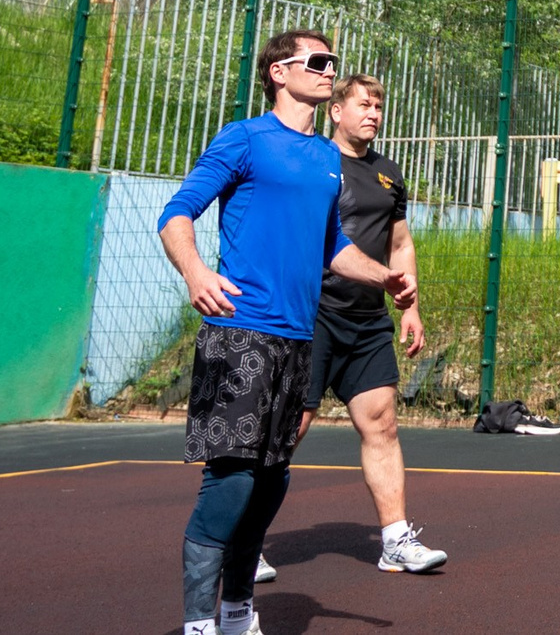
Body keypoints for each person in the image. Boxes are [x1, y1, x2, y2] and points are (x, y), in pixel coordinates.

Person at [158, 31, 408, 635]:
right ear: (278, 72)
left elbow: (332, 245)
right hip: (241, 333)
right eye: (317, 62)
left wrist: (385, 277)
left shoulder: (326, 158)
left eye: (332, 63)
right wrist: (196, 272)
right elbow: (176, 213)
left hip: (298, 340)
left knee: (271, 481)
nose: (329, 71)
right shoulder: (244, 138)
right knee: (232, 480)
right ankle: (198, 622)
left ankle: (237, 612)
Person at [291, 75, 445, 576]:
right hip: (313, 314)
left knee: (382, 423)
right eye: (364, 104)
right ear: (336, 111)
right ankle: (246, 544)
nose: (374, 114)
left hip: (368, 320)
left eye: (379, 106)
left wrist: (411, 308)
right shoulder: (312, 162)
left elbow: (400, 244)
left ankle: (395, 541)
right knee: (291, 427)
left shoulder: (388, 173)